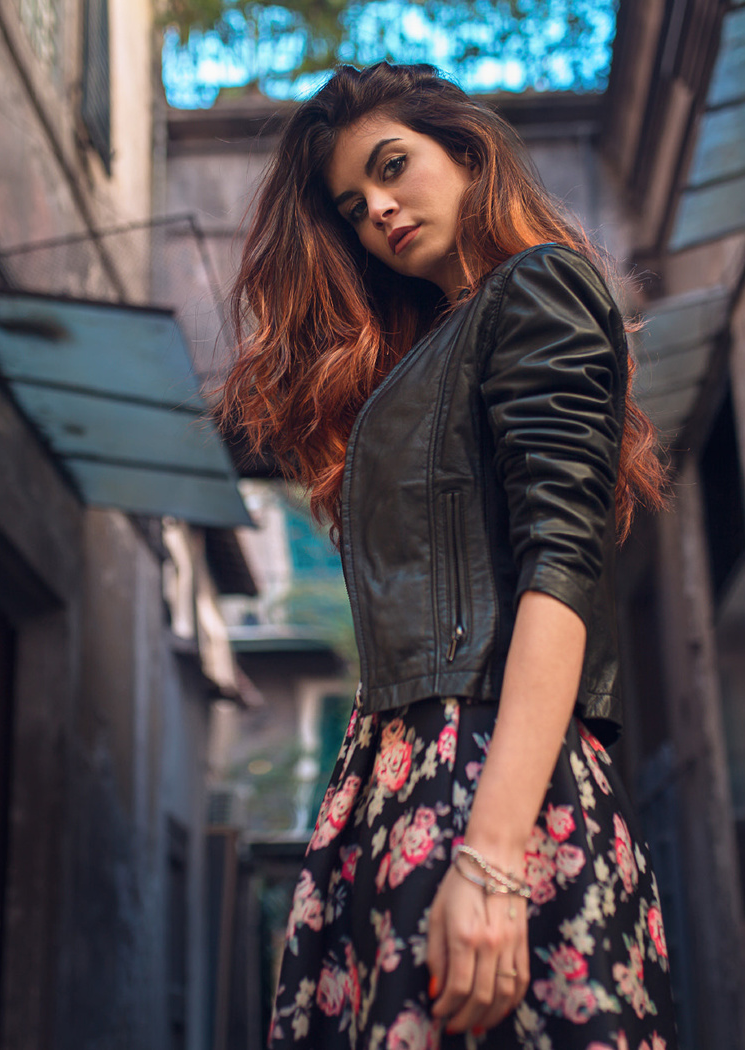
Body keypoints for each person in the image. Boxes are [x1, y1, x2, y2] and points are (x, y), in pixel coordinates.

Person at [218, 62, 678, 1050]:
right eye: (353, 204)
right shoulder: (431, 349)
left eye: (395, 167)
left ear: (467, 153)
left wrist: (494, 858)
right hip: (408, 788)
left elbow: (564, 566)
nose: (378, 208)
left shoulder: (537, 288)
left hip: (485, 791)